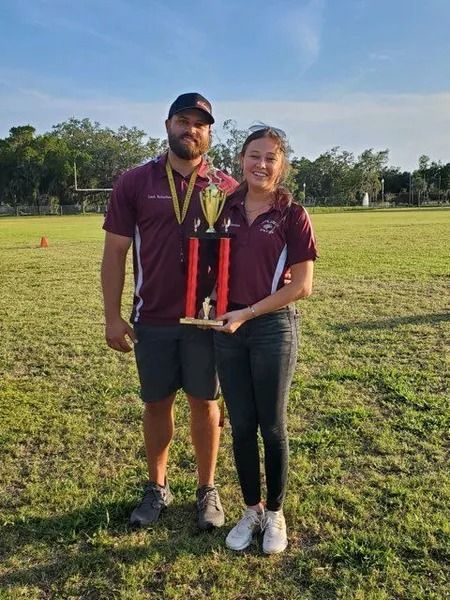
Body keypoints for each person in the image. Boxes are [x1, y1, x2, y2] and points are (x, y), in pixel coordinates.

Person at [101, 92, 237, 530]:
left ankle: (207, 490)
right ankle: (156, 487)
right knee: (156, 403)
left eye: (200, 123)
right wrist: (112, 315)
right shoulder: (134, 182)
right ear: (167, 125)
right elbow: (115, 253)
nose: (190, 129)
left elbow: (250, 248)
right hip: (153, 317)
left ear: (209, 133)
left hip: (207, 319)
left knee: (205, 402)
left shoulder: (226, 188)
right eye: (183, 119)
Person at [213, 125, 317, 554]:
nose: (261, 164)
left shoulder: (293, 214)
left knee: (271, 426)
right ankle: (251, 508)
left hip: (272, 327)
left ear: (281, 164)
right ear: (241, 160)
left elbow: (303, 286)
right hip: (226, 329)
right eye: (254, 155)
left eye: (270, 157)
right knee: (241, 426)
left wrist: (249, 312)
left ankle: (275, 512)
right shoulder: (223, 206)